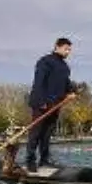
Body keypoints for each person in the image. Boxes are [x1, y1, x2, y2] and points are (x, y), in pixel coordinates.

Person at [23, 36, 78, 172]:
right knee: (36, 133)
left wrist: (72, 91)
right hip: (41, 104)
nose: (68, 52)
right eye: (66, 49)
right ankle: (30, 161)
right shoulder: (45, 61)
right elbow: (38, 82)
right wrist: (41, 102)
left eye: (69, 50)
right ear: (57, 47)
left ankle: (44, 160)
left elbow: (66, 83)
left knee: (47, 134)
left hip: (55, 105)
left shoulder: (65, 67)